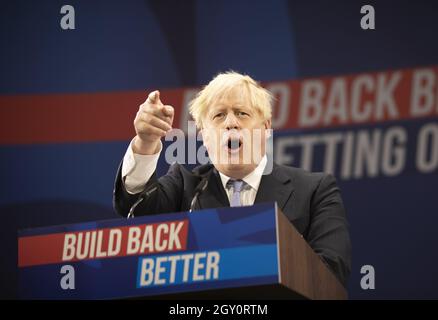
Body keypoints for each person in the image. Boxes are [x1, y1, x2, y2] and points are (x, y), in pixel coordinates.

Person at [113, 71, 351, 286]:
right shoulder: (185, 187)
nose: (231, 123)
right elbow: (136, 211)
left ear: (266, 128)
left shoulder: (314, 190)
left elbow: (331, 273)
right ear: (204, 135)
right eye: (219, 116)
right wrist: (146, 141)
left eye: (241, 113)